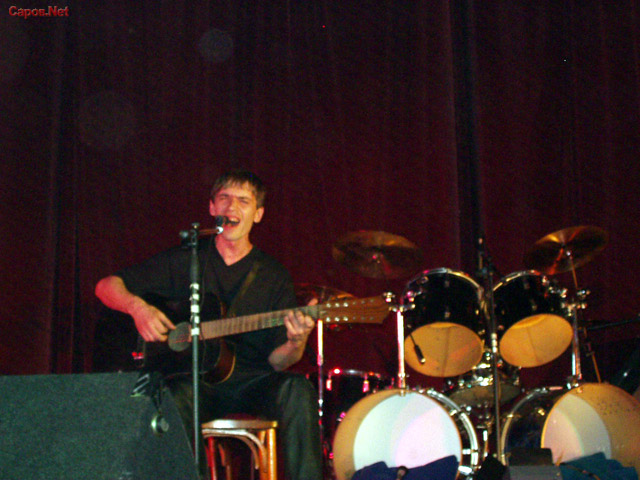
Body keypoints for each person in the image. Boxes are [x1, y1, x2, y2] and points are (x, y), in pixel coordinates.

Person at [95, 168, 322, 480]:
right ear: (212, 208)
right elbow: (105, 286)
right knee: (171, 397)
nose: (232, 207)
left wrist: (297, 340)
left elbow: (278, 361)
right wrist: (139, 309)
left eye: (243, 201)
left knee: (298, 389)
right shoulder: (187, 259)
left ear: (257, 214)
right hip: (196, 383)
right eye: (224, 198)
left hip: (253, 381)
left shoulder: (273, 275)